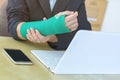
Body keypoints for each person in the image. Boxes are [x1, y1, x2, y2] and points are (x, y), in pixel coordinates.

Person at [7, 0, 91, 50]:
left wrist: (52, 38)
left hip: (55, 56)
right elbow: (14, 25)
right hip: (24, 49)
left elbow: (85, 35)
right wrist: (48, 26)